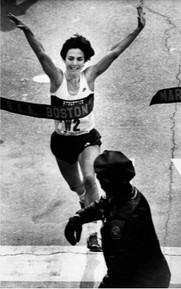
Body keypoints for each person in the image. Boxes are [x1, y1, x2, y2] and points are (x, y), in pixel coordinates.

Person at [8, 5, 146, 251]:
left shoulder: (89, 77)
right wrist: (27, 32)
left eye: (79, 59)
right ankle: (86, 204)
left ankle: (94, 233)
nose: (74, 63)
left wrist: (137, 29)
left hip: (87, 139)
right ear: (64, 59)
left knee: (91, 179)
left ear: (85, 61)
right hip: (62, 142)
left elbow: (114, 52)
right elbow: (41, 54)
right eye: (70, 58)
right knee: (79, 188)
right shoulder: (57, 79)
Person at [64, 150, 171, 288]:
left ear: (106, 181)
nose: (98, 180)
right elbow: (103, 203)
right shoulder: (126, 192)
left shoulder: (122, 220)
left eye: (99, 177)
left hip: (144, 282)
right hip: (150, 275)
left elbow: (119, 270)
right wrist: (79, 218)